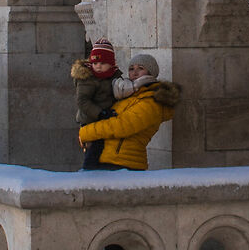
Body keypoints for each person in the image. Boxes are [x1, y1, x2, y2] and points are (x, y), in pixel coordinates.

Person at [77, 53, 182, 170]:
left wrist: (86, 132)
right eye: (131, 69)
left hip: (124, 163)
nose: (135, 72)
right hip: (106, 160)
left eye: (140, 68)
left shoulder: (152, 101)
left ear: (151, 73)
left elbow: (121, 126)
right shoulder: (128, 95)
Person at [71, 39, 121, 169]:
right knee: (94, 148)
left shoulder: (113, 76)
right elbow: (82, 101)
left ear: (111, 64)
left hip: (105, 118)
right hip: (90, 120)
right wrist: (100, 113)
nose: (98, 66)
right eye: (95, 63)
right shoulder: (87, 78)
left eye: (103, 63)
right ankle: (88, 172)